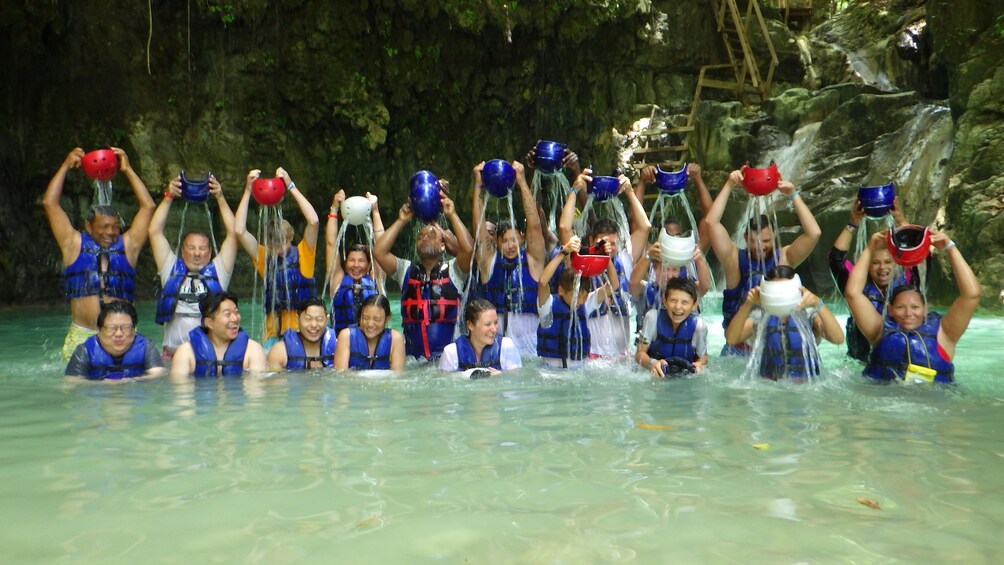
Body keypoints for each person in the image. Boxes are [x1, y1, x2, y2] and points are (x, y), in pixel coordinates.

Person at [43, 147, 156, 360]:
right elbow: (50, 203)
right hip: (83, 334)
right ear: (88, 226)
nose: (110, 232)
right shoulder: (72, 244)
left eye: (114, 226)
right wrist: (66, 166)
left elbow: (148, 207)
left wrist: (128, 170)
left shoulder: (128, 245)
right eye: (103, 226)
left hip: (122, 335)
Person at [703, 166, 821, 352]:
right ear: (744, 238)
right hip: (738, 349)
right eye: (754, 241)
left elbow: (814, 233)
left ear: (774, 236)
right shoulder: (733, 259)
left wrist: (792, 194)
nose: (760, 246)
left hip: (775, 347)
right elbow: (711, 223)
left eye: (766, 241)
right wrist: (729, 184)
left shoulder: (784, 257)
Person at [846, 230, 980, 384]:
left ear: (925, 309)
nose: (908, 313)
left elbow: (972, 295)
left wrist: (950, 247)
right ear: (890, 310)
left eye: (915, 307)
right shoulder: (879, 330)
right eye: (901, 307)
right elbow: (853, 294)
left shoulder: (946, 333)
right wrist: (870, 248)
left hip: (935, 404)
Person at [372, 185, 474, 361]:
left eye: (431, 236)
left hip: (449, 361)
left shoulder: (455, 271)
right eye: (420, 237)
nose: (424, 238)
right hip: (413, 361)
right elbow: (379, 252)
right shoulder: (405, 270)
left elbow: (470, 250)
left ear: (443, 246)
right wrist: (401, 220)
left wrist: (452, 214)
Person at [558, 169, 651, 357]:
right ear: (591, 242)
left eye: (613, 243)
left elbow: (645, 227)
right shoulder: (580, 263)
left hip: (621, 355)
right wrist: (575, 191)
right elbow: (564, 228)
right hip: (592, 356)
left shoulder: (626, 259)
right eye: (603, 243)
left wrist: (630, 192)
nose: (609, 247)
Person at [149, 174, 239, 359]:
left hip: (207, 356)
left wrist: (220, 197)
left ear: (210, 253)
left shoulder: (220, 271)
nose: (197, 253)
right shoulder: (170, 268)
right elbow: (154, 231)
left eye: (202, 249)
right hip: (171, 357)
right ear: (182, 252)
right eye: (191, 248)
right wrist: (168, 196)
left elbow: (233, 234)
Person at [234, 167, 319, 340]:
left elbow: (314, 221)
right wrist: (248, 190)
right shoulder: (264, 258)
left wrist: (290, 185)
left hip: (302, 334)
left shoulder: (304, 254)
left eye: (282, 241)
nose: (278, 247)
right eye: (273, 243)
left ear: (291, 236)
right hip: (272, 335)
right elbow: (240, 231)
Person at [827, 197, 917, 362]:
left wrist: (901, 220)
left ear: (897, 264)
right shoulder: (856, 285)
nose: (883, 268)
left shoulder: (908, 284)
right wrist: (852, 223)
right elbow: (835, 258)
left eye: (888, 262)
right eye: (875, 263)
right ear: (867, 265)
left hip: (901, 362)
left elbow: (919, 254)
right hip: (860, 364)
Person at [472, 160, 546, 357]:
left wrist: (521, 182)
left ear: (522, 238)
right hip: (496, 344)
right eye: (505, 241)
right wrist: (478, 185)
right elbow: (479, 229)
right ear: (496, 242)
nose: (511, 245)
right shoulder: (489, 262)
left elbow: (535, 227)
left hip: (531, 347)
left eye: (514, 240)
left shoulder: (533, 261)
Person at [725, 265, 844, 381]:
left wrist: (818, 304)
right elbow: (732, 339)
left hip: (805, 389)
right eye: (776, 290)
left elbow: (838, 339)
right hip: (769, 388)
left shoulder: (808, 314)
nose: (781, 295)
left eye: (785, 290)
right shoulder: (761, 315)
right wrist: (748, 304)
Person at [536, 236, 619, 369]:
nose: (580, 301)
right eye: (576, 296)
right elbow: (542, 282)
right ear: (561, 290)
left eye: (584, 296)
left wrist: (605, 258)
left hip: (579, 372)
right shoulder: (547, 307)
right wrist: (563, 253)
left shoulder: (586, 304)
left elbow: (613, 285)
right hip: (551, 374)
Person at [325, 190, 385, 333]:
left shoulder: (375, 278)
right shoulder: (338, 280)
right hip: (341, 344)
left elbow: (382, 244)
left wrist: (375, 210)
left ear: (369, 264)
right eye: (352, 260)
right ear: (346, 264)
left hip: (370, 346)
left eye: (361, 261)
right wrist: (334, 209)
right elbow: (331, 244)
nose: (356, 265)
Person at [170, 291, 268, 377]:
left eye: (236, 312)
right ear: (209, 323)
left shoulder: (253, 350)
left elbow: (256, 394)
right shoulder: (185, 353)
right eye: (227, 314)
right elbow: (180, 392)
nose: (235, 318)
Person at [65, 302, 164, 381]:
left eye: (126, 327)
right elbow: (72, 382)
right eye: (111, 328)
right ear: (99, 330)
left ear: (134, 330)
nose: (118, 334)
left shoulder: (146, 347)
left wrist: (128, 382)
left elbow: (157, 374)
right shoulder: (85, 351)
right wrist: (104, 385)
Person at [635, 277, 709, 378]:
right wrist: (651, 363)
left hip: (685, 377)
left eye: (684, 302)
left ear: (694, 305)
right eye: (673, 300)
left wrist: (699, 364)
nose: (678, 307)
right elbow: (639, 354)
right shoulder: (653, 318)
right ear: (664, 301)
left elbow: (703, 357)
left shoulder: (699, 326)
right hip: (655, 376)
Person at [439, 299, 522, 374]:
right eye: (487, 324)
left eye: (496, 323)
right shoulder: (451, 353)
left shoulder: (506, 346)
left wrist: (500, 376)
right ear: (470, 325)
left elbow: (517, 378)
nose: (494, 329)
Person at [333, 295, 406, 371]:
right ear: (360, 316)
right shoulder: (346, 336)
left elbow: (397, 375)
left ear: (387, 318)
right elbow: (340, 374)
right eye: (365, 318)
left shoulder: (396, 339)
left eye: (376, 319)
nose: (370, 324)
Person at [267, 297, 339, 370]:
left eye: (319, 319)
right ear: (297, 320)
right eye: (308, 319)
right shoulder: (280, 352)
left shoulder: (338, 348)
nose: (314, 325)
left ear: (326, 320)